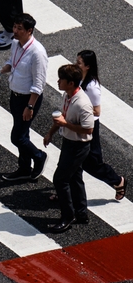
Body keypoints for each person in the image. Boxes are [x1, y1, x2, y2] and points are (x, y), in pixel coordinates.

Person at [50, 51, 125, 202]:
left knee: (92, 164)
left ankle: (118, 181)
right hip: (75, 122)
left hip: (88, 124)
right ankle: (64, 189)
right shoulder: (77, 80)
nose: (75, 64)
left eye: (79, 63)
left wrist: (80, 108)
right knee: (70, 161)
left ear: (88, 66)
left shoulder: (92, 87)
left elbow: (97, 111)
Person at [0, 13, 48, 182]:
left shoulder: (37, 52)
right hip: (15, 96)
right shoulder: (15, 44)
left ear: (29, 31)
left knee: (17, 137)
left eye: (19, 28)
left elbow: (39, 84)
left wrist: (30, 106)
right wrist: (3, 69)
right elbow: (12, 62)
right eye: (14, 27)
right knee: (22, 134)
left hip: (28, 100)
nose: (15, 31)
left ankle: (39, 156)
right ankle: (24, 168)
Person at [43, 64, 94, 233]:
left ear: (71, 83)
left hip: (78, 146)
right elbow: (63, 117)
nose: (58, 81)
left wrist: (65, 125)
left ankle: (68, 216)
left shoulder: (82, 104)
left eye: (61, 79)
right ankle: (81, 213)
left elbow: (88, 129)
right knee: (75, 177)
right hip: (69, 142)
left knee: (60, 179)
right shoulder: (67, 95)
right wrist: (51, 132)